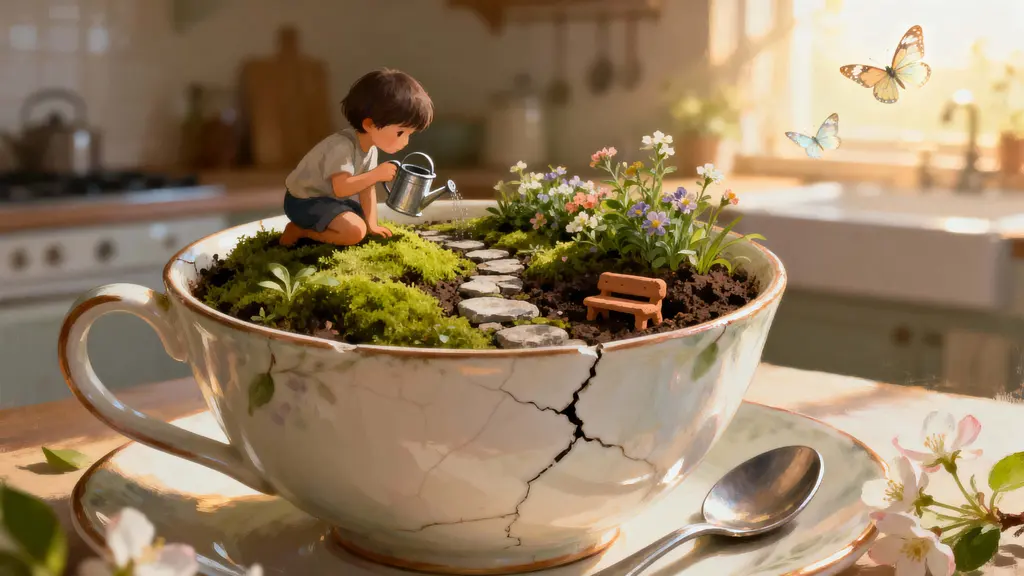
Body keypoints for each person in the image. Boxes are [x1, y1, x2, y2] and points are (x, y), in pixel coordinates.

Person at [280, 68, 434, 247]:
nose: (405, 142)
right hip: (304, 201)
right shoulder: (341, 147)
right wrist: (376, 174)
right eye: (401, 133)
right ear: (369, 124)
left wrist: (372, 224)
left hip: (328, 200)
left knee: (362, 222)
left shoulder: (371, 149)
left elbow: (367, 189)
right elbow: (341, 188)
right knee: (355, 232)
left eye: (410, 134)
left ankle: (332, 227)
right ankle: (301, 231)